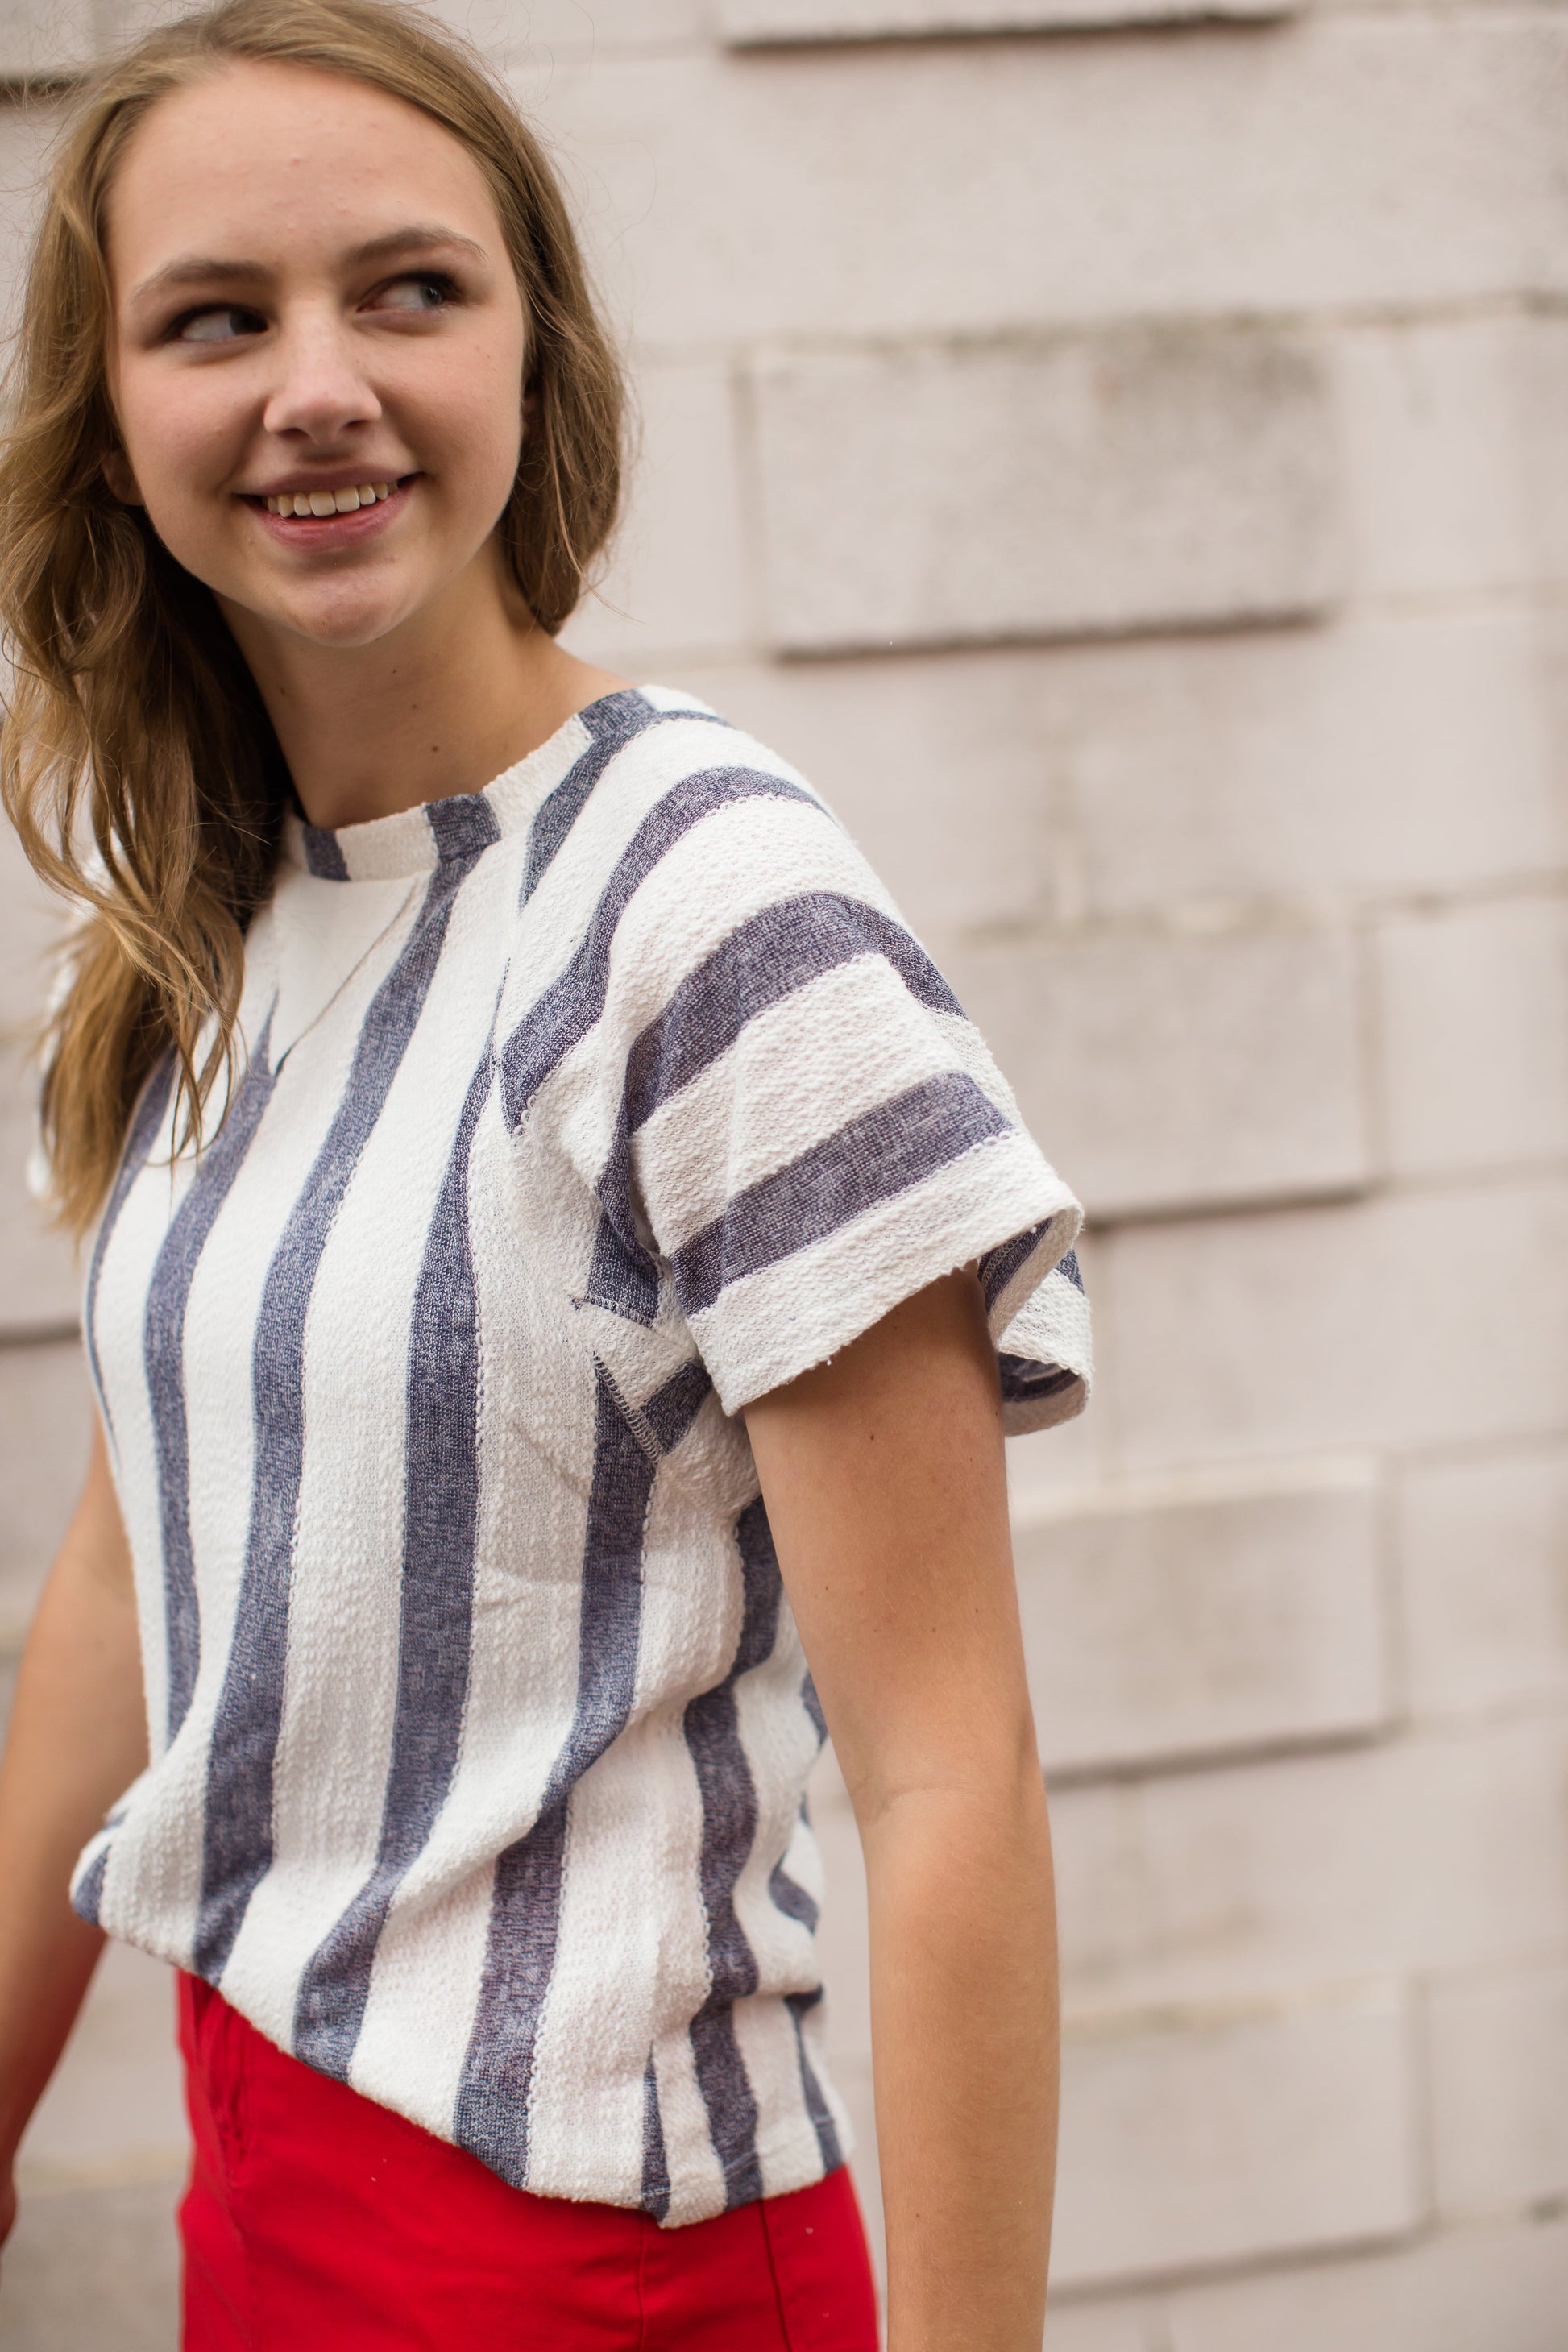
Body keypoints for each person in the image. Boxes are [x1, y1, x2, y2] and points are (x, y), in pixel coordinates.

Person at [0, 2, 1091, 2343]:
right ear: (114, 423)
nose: (317, 383)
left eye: (407, 288)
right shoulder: (218, 915)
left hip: (606, 2268)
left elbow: (947, 1772)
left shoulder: (708, 908)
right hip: (261, 2185)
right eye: (218, 318)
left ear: (531, 352)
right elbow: (136, 1561)